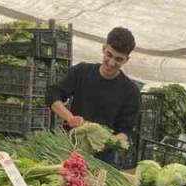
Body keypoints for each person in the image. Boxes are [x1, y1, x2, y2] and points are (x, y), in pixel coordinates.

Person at [45, 27, 140, 163]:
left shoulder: (131, 91)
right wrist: (70, 118)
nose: (111, 63)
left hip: (104, 154)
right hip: (72, 145)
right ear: (104, 48)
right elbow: (52, 95)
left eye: (119, 59)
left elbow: (125, 130)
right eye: (109, 55)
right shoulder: (81, 72)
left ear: (126, 59)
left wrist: (111, 141)